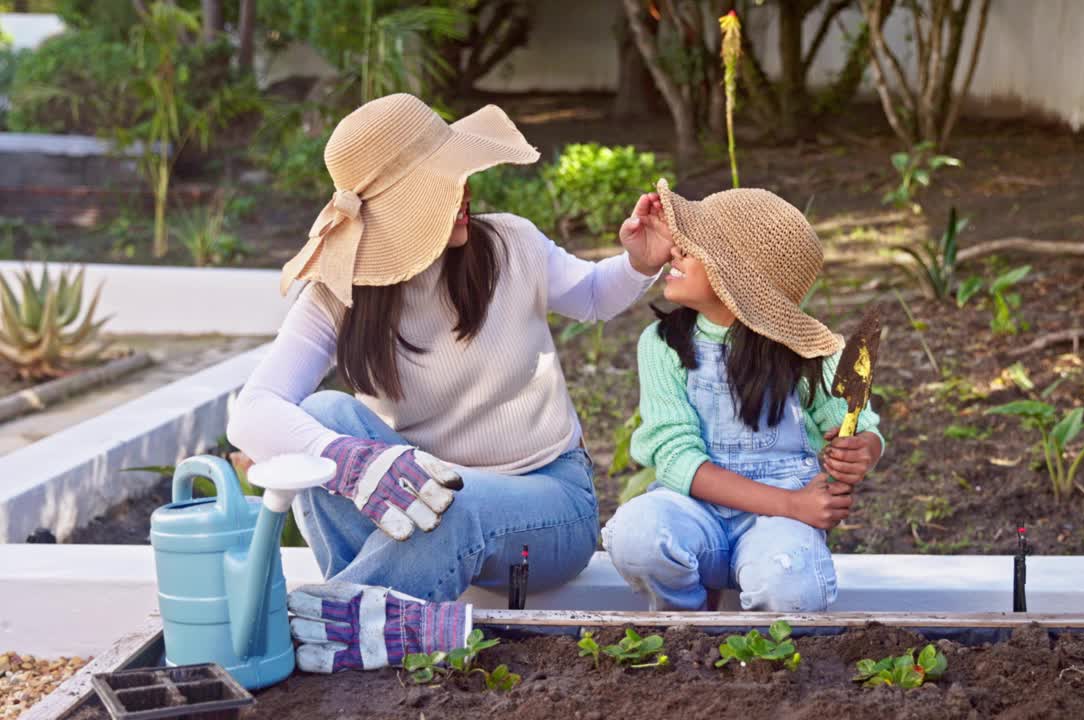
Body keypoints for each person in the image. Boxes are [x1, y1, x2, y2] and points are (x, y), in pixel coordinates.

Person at [226, 94, 672, 619]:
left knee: (448, 509)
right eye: (436, 186)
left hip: (549, 500)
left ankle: (327, 627)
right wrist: (352, 463)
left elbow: (593, 296)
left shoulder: (509, 242)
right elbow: (253, 411)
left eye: (457, 174)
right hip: (426, 495)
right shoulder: (338, 291)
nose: (462, 193)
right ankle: (367, 623)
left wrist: (637, 264)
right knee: (323, 421)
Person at [602, 180, 885, 612]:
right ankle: (687, 620)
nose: (674, 252)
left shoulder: (810, 353)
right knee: (636, 535)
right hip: (695, 515)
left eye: (690, 247)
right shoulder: (663, 344)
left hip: (779, 527)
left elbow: (858, 426)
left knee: (791, 587)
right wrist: (793, 503)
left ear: (733, 277)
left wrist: (863, 449)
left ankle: (760, 636)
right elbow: (676, 459)